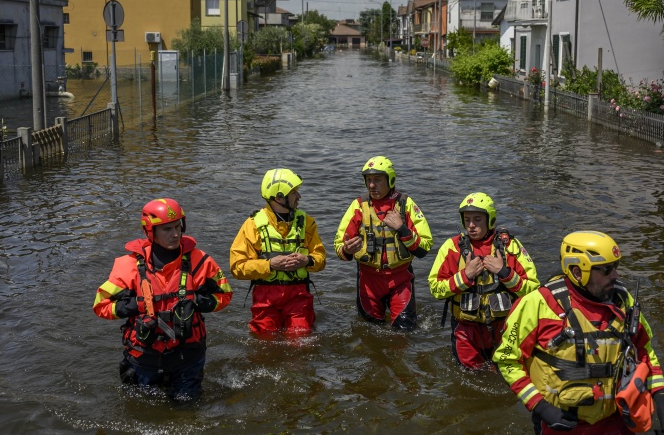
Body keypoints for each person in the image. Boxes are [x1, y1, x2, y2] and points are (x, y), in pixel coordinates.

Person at [494, 232, 664, 435]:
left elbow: (644, 350)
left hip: (616, 422)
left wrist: (661, 397)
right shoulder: (538, 304)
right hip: (561, 422)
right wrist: (540, 406)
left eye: (615, 267)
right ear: (577, 272)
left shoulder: (624, 302)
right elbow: (507, 360)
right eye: (606, 269)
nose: (615, 276)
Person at [93, 197, 232, 401]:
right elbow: (100, 305)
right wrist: (135, 305)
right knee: (142, 409)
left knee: (187, 409)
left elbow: (225, 295)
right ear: (150, 231)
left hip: (188, 356)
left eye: (178, 227)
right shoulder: (128, 266)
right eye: (167, 229)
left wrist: (198, 301)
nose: (175, 234)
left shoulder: (200, 261)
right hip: (144, 357)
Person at [428, 192, 538, 369]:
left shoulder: (510, 246)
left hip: (503, 329)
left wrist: (504, 272)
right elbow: (435, 288)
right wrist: (465, 275)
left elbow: (533, 290)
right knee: (469, 378)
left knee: (506, 374)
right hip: (465, 330)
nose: (471, 225)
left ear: (490, 220)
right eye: (467, 219)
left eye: (477, 219)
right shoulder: (451, 247)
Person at [334, 155, 433, 329]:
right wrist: (347, 250)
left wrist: (402, 229)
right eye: (369, 180)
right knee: (369, 332)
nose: (372, 185)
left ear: (390, 179)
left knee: (405, 332)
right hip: (368, 281)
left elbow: (425, 247)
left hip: (400, 280)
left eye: (377, 180)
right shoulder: (358, 206)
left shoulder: (406, 204)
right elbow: (339, 246)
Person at [229, 167, 327, 337]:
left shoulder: (307, 223)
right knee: (264, 341)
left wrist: (308, 261)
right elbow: (237, 267)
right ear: (279, 197)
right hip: (265, 298)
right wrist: (269, 264)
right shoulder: (252, 225)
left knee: (300, 339)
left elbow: (321, 258)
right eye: (294, 192)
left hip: (298, 296)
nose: (299, 197)